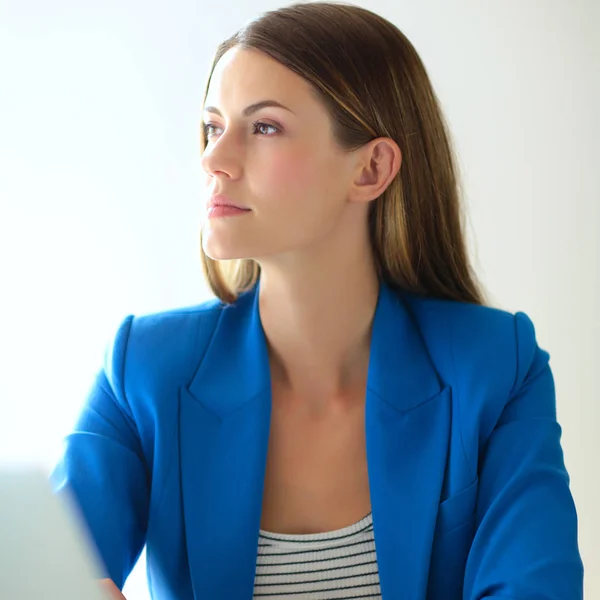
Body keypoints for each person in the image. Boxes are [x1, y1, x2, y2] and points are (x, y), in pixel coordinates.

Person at [50, 2, 584, 599]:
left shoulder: (496, 369)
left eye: (265, 126)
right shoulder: (144, 369)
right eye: (212, 127)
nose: (212, 160)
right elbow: (40, 572)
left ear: (371, 168)